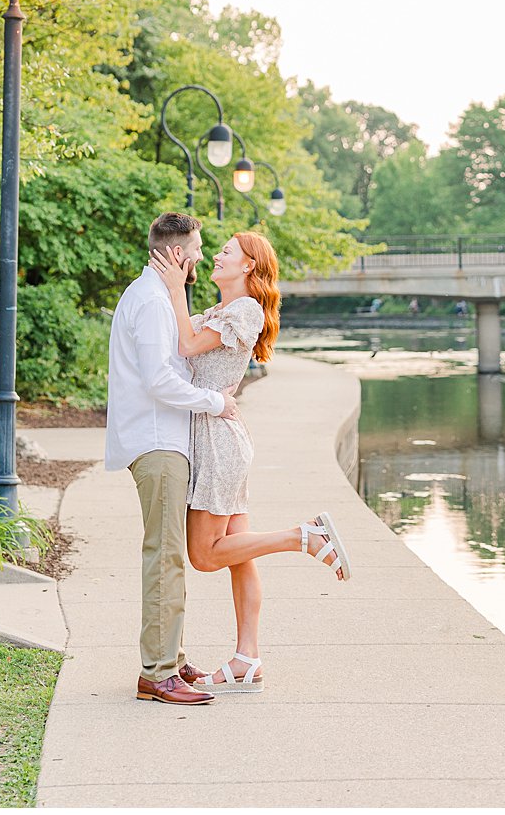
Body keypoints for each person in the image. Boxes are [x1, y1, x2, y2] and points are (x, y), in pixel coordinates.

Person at [156, 230, 351, 696]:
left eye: (226, 252)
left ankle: (302, 536)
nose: (216, 257)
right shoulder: (222, 311)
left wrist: (176, 285)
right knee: (241, 556)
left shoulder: (244, 310)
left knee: (204, 556)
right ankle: (247, 658)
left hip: (218, 443)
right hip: (218, 436)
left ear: (248, 266)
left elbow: (185, 346)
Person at [105, 212, 242, 707]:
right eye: (199, 249)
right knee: (164, 555)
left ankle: (172, 657)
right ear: (178, 254)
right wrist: (216, 402)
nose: (203, 257)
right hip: (158, 443)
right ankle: (157, 673)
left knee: (169, 555)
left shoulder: (161, 298)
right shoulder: (150, 302)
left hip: (168, 441)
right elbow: (158, 380)